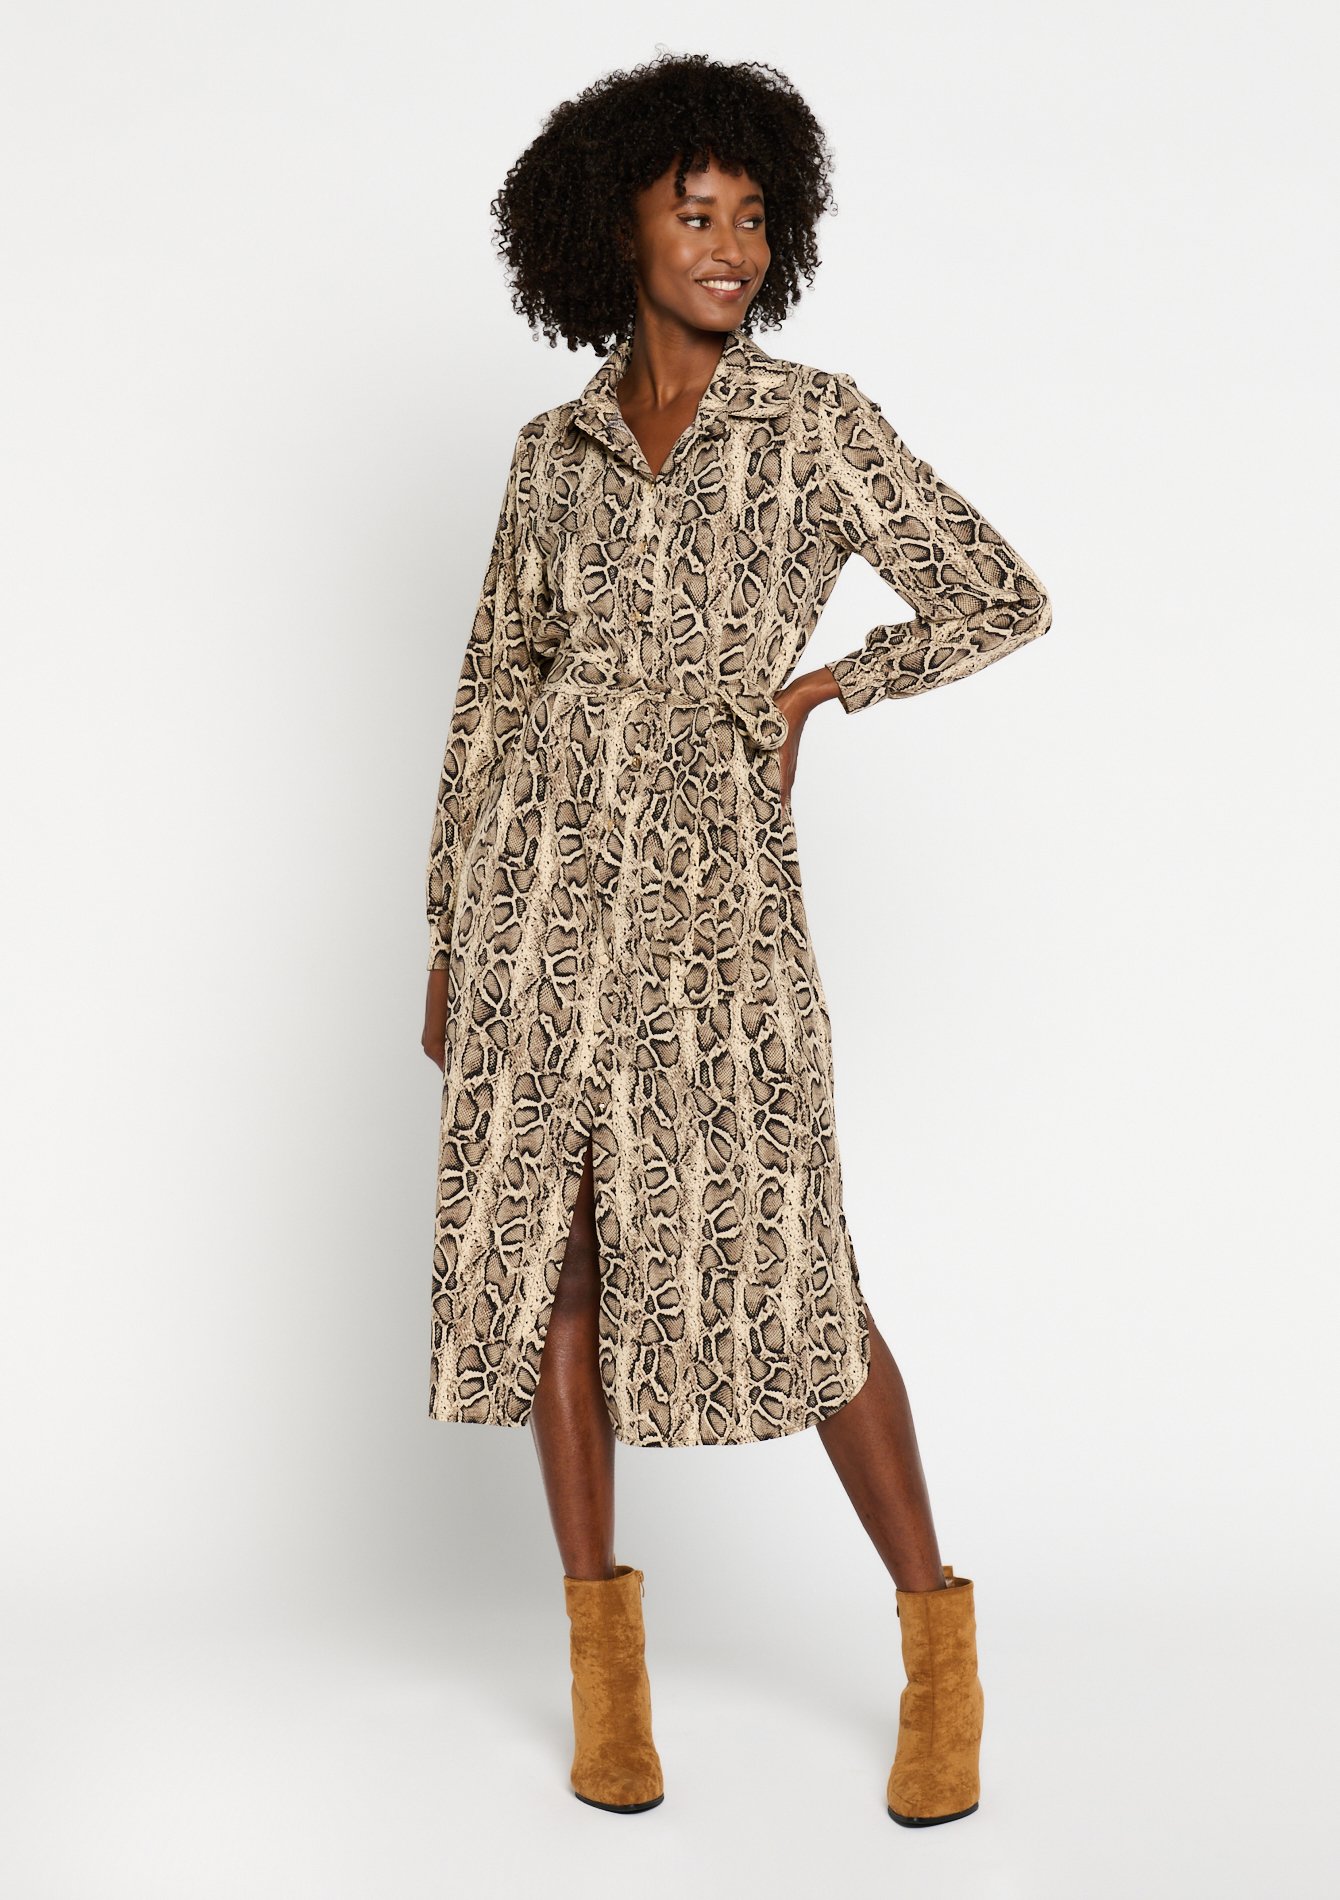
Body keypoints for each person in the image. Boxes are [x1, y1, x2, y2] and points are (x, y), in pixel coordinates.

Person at [421, 52, 1051, 1826]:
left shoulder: (814, 423)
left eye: (753, 216)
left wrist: (824, 688)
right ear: (613, 230)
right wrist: (452, 932)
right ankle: (605, 1682)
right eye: (692, 213)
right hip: (540, 888)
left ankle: (939, 1655)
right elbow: (492, 695)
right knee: (556, 1258)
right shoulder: (549, 454)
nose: (729, 245)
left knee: (800, 1266)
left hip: (714, 902)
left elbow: (1000, 592)